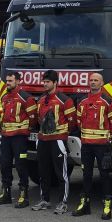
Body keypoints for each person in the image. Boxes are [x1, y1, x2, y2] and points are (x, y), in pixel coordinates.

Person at [72, 72, 112, 218]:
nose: (93, 82)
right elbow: (78, 121)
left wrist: (105, 137)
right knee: (86, 174)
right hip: (86, 145)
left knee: (104, 174)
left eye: (96, 80)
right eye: (91, 80)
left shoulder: (109, 101)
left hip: (102, 145)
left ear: (102, 83)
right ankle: (84, 203)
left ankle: (107, 204)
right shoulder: (82, 101)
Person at [31, 70, 76, 214]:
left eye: (47, 82)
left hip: (58, 141)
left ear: (55, 83)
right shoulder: (41, 100)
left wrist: (61, 134)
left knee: (60, 173)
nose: (45, 84)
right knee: (43, 172)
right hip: (43, 140)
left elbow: (72, 122)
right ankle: (45, 200)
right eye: (43, 82)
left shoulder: (65, 100)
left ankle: (62, 202)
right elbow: (38, 120)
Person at [0, 71, 37, 207]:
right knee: (4, 165)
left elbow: (33, 118)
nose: (8, 83)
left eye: (11, 81)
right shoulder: (5, 97)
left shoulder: (26, 98)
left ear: (18, 81)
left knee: (21, 166)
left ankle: (23, 195)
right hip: (6, 137)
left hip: (19, 137)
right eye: (7, 81)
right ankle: (5, 193)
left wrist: (26, 130)